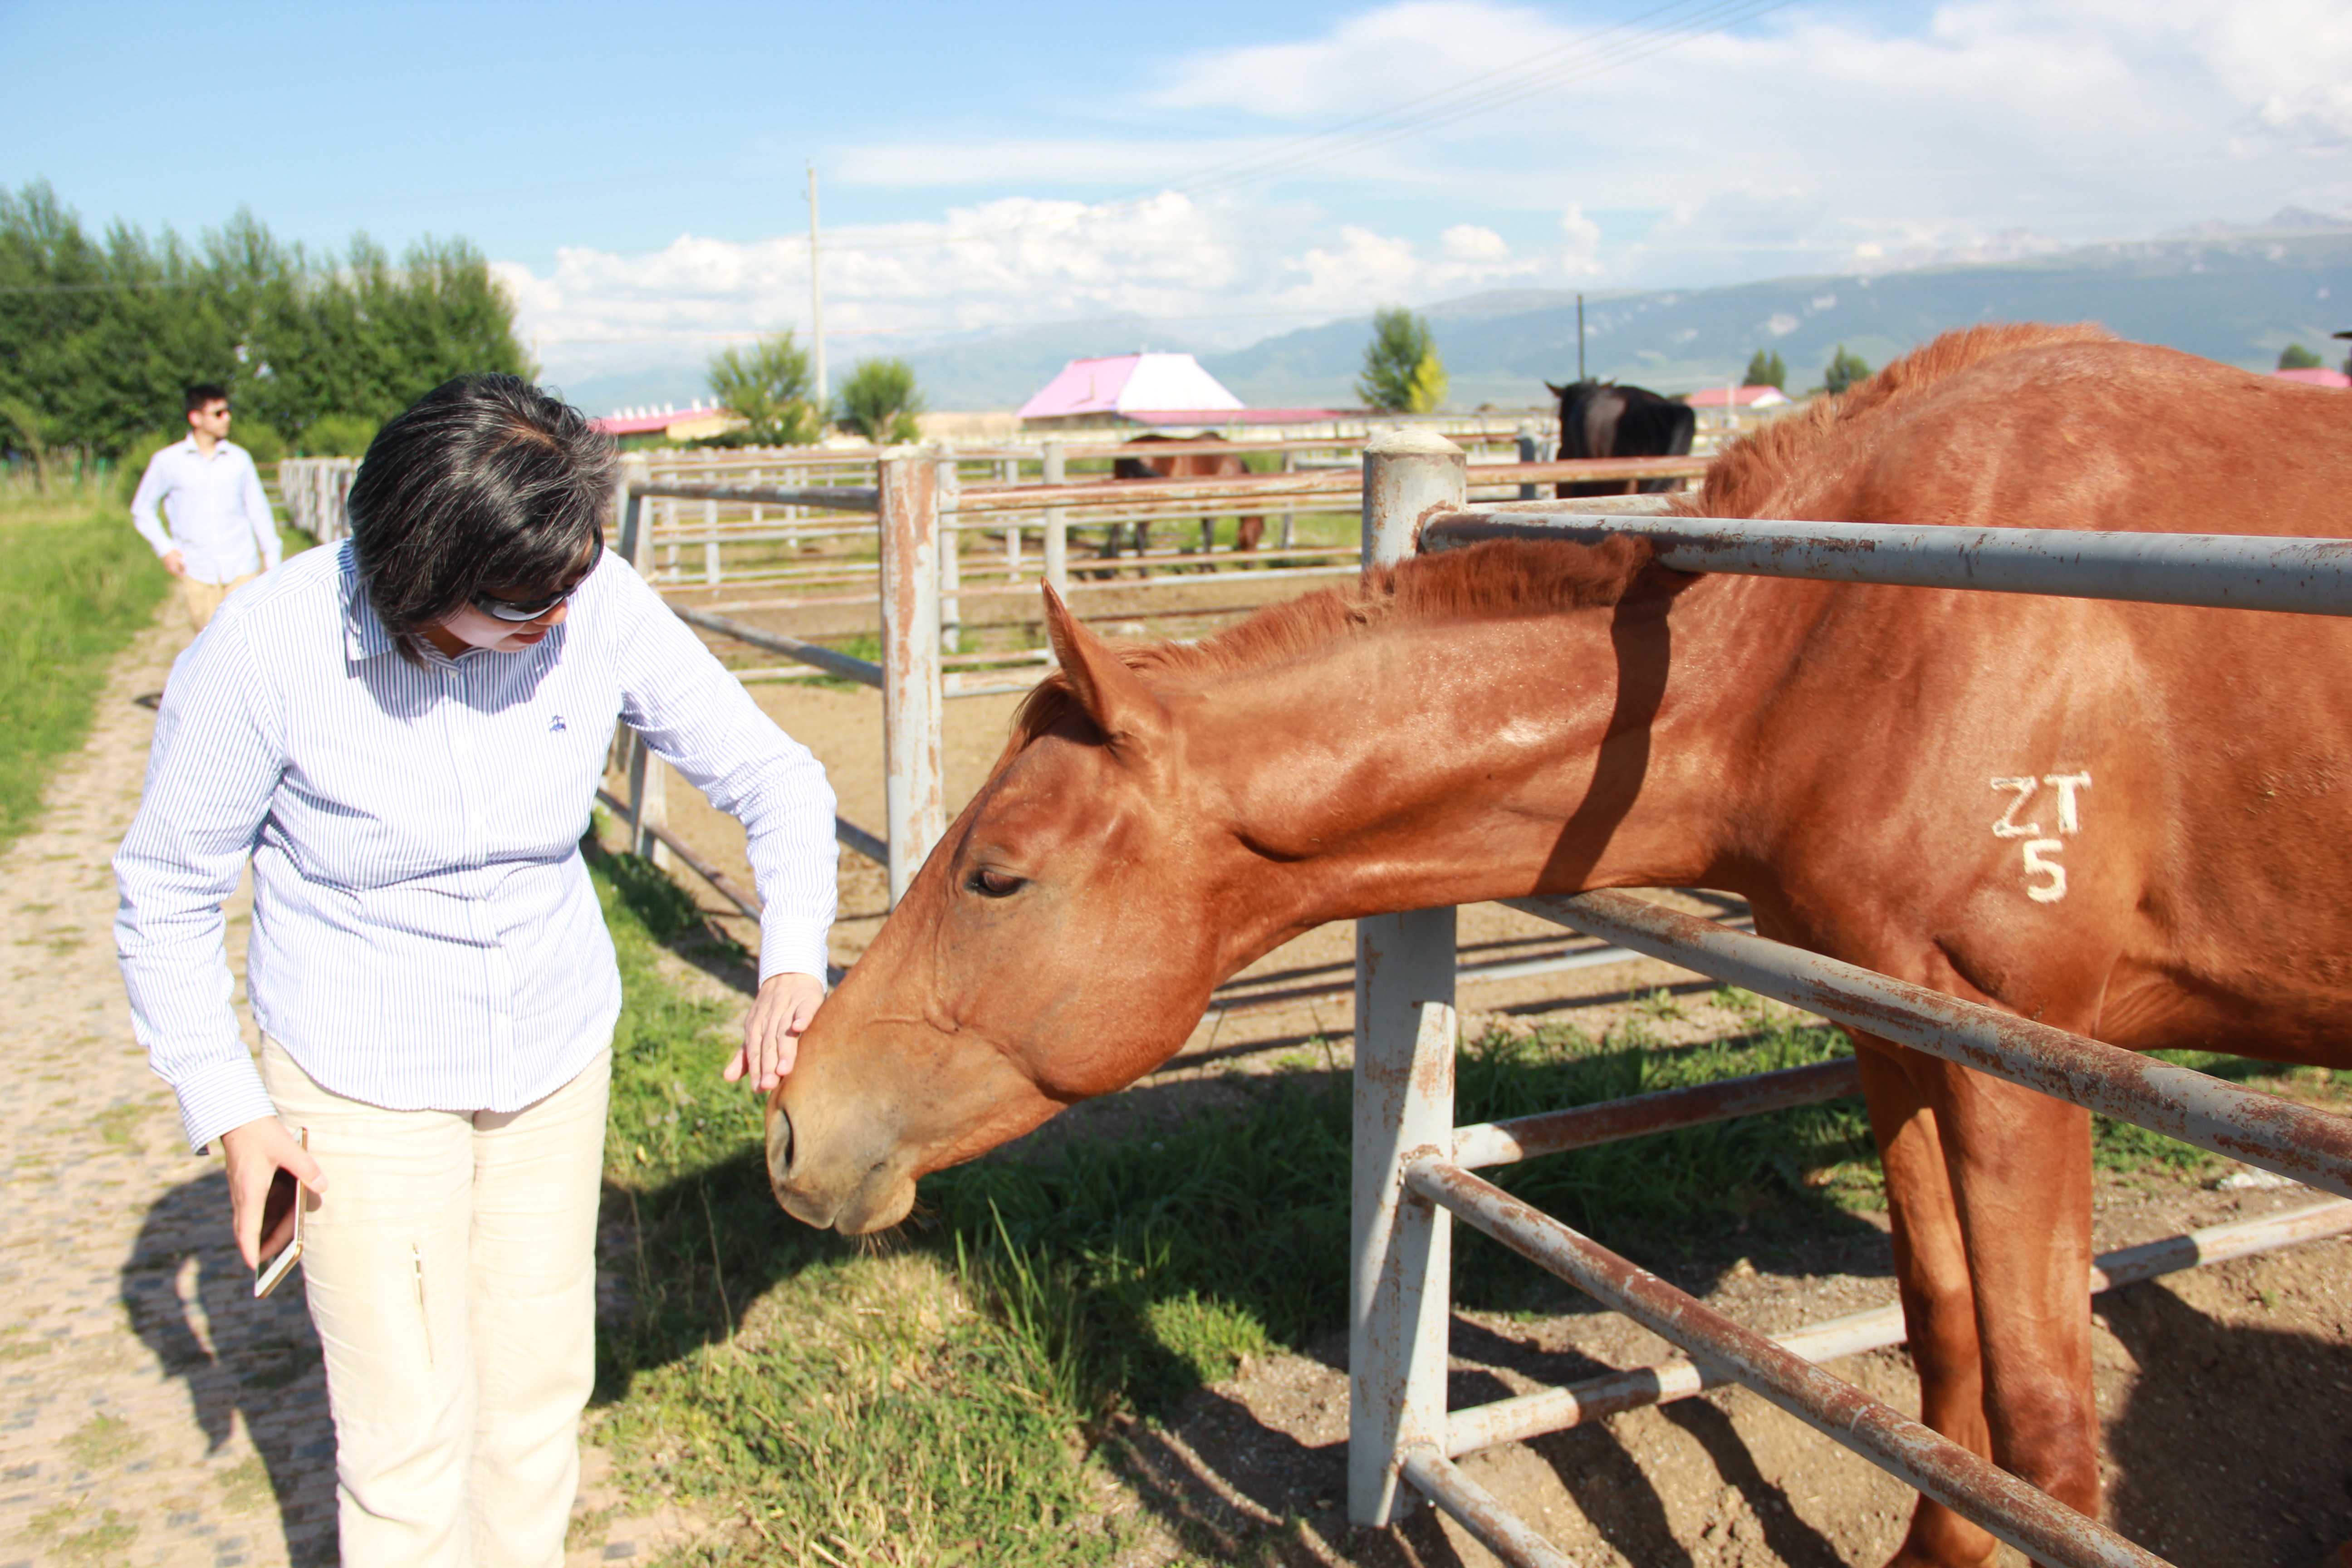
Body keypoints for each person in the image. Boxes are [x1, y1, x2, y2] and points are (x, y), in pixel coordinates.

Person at [114, 375, 838, 1566]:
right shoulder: (269, 650)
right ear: (419, 581)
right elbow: (169, 889)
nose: (557, 622)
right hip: (362, 1073)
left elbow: (778, 780)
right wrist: (232, 1108)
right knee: (407, 1433)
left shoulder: (587, 598)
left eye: (569, 585)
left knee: (538, 1390)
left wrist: (792, 961)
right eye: (520, 606)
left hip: (552, 1055)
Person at [129, 383, 282, 631]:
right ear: (196, 418)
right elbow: (142, 509)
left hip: (242, 568)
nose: (227, 418)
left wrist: (273, 560)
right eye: (219, 413)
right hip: (198, 570)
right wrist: (166, 549)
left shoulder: (239, 459)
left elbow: (259, 510)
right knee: (209, 650)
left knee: (248, 644)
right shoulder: (168, 462)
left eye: (227, 411)